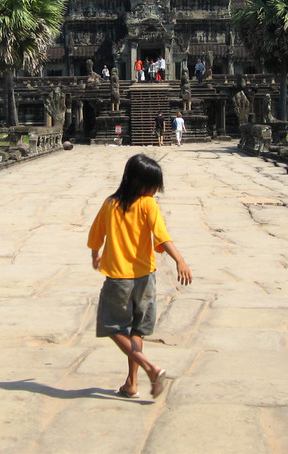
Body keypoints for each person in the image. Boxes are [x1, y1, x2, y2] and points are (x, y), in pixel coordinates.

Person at [88, 154, 192, 399]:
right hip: (145, 278)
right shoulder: (149, 205)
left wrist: (95, 255)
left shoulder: (110, 203)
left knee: (112, 327)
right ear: (139, 182)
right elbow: (162, 237)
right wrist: (179, 260)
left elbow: (96, 235)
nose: (156, 191)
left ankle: (149, 368)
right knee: (136, 330)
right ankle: (131, 383)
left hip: (118, 279)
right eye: (153, 185)